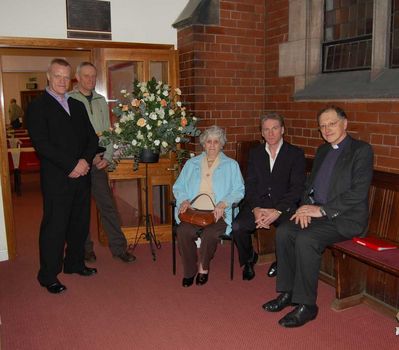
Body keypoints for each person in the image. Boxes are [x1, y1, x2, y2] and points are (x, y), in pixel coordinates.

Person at [263, 106, 374, 327]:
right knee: (285, 231)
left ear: (345, 123)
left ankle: (307, 306)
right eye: (322, 126)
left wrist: (321, 210)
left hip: (345, 218)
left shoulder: (361, 150)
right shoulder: (323, 150)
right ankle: (287, 292)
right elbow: (309, 187)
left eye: (331, 123)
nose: (327, 129)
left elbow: (358, 192)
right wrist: (305, 207)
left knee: (306, 239)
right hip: (319, 214)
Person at [27, 58, 99, 294]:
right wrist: (71, 164)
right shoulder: (38, 107)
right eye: (57, 75)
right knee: (55, 227)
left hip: (82, 176)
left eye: (66, 77)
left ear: (71, 80)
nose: (61, 81)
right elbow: (42, 145)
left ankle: (75, 263)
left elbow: (92, 139)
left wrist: (85, 162)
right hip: (57, 179)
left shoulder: (77, 105)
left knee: (79, 224)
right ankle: (48, 275)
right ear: (48, 76)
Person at [69, 62, 136, 263]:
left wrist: (107, 157)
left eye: (93, 76)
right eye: (86, 76)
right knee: (80, 209)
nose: (90, 80)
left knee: (108, 206)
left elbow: (107, 132)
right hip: (80, 164)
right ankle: (85, 248)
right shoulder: (69, 100)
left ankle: (119, 248)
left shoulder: (100, 100)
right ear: (78, 77)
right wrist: (85, 157)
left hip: (99, 164)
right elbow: (70, 136)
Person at [233, 113, 306, 281]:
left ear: (282, 130)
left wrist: (278, 210)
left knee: (287, 230)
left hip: (283, 206)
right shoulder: (255, 153)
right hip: (259, 203)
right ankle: (249, 258)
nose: (271, 133)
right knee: (238, 226)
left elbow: (297, 188)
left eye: (274, 128)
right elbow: (250, 184)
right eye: (266, 129)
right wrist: (256, 208)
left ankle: (282, 262)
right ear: (262, 133)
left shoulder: (295, 154)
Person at [173, 125, 244, 287]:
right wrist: (184, 200)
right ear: (203, 144)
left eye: (216, 142)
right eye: (209, 142)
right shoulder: (192, 163)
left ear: (222, 145)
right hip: (193, 211)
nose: (212, 145)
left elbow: (239, 190)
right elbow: (179, 186)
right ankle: (189, 270)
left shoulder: (231, 165)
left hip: (219, 212)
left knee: (210, 234)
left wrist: (223, 203)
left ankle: (203, 268)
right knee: (183, 231)